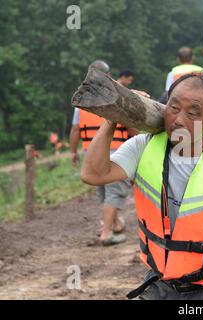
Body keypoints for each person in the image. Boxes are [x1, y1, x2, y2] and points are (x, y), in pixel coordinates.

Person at [80, 74, 203, 300]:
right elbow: (92, 173)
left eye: (192, 113)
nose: (178, 120)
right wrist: (112, 118)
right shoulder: (144, 147)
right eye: (174, 107)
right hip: (160, 279)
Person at [70, 60, 138, 246]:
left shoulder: (81, 100)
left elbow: (75, 129)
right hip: (115, 150)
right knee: (114, 192)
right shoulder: (116, 97)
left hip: (90, 153)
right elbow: (131, 129)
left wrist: (72, 151)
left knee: (103, 190)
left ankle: (115, 224)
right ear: (108, 75)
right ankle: (106, 233)